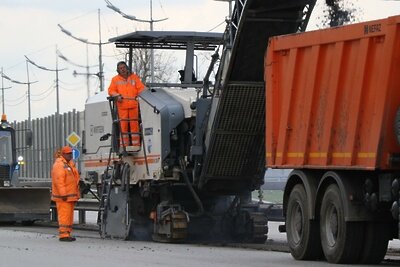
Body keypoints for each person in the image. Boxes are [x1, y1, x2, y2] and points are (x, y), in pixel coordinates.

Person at [108, 61, 145, 148]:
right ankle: (124, 145)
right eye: (120, 68)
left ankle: (135, 145)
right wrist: (117, 95)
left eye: (123, 67)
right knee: (123, 126)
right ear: (118, 70)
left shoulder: (134, 78)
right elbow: (110, 90)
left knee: (134, 126)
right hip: (122, 107)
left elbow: (141, 89)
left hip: (133, 105)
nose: (122, 70)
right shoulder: (115, 80)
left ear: (126, 68)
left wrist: (144, 94)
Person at [51, 146, 80, 242]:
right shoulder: (59, 165)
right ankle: (63, 234)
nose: (70, 155)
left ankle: (67, 233)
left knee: (68, 216)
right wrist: (63, 194)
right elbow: (59, 181)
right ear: (63, 154)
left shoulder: (69, 164)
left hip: (70, 196)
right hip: (64, 197)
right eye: (68, 153)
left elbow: (74, 180)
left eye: (71, 153)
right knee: (64, 216)